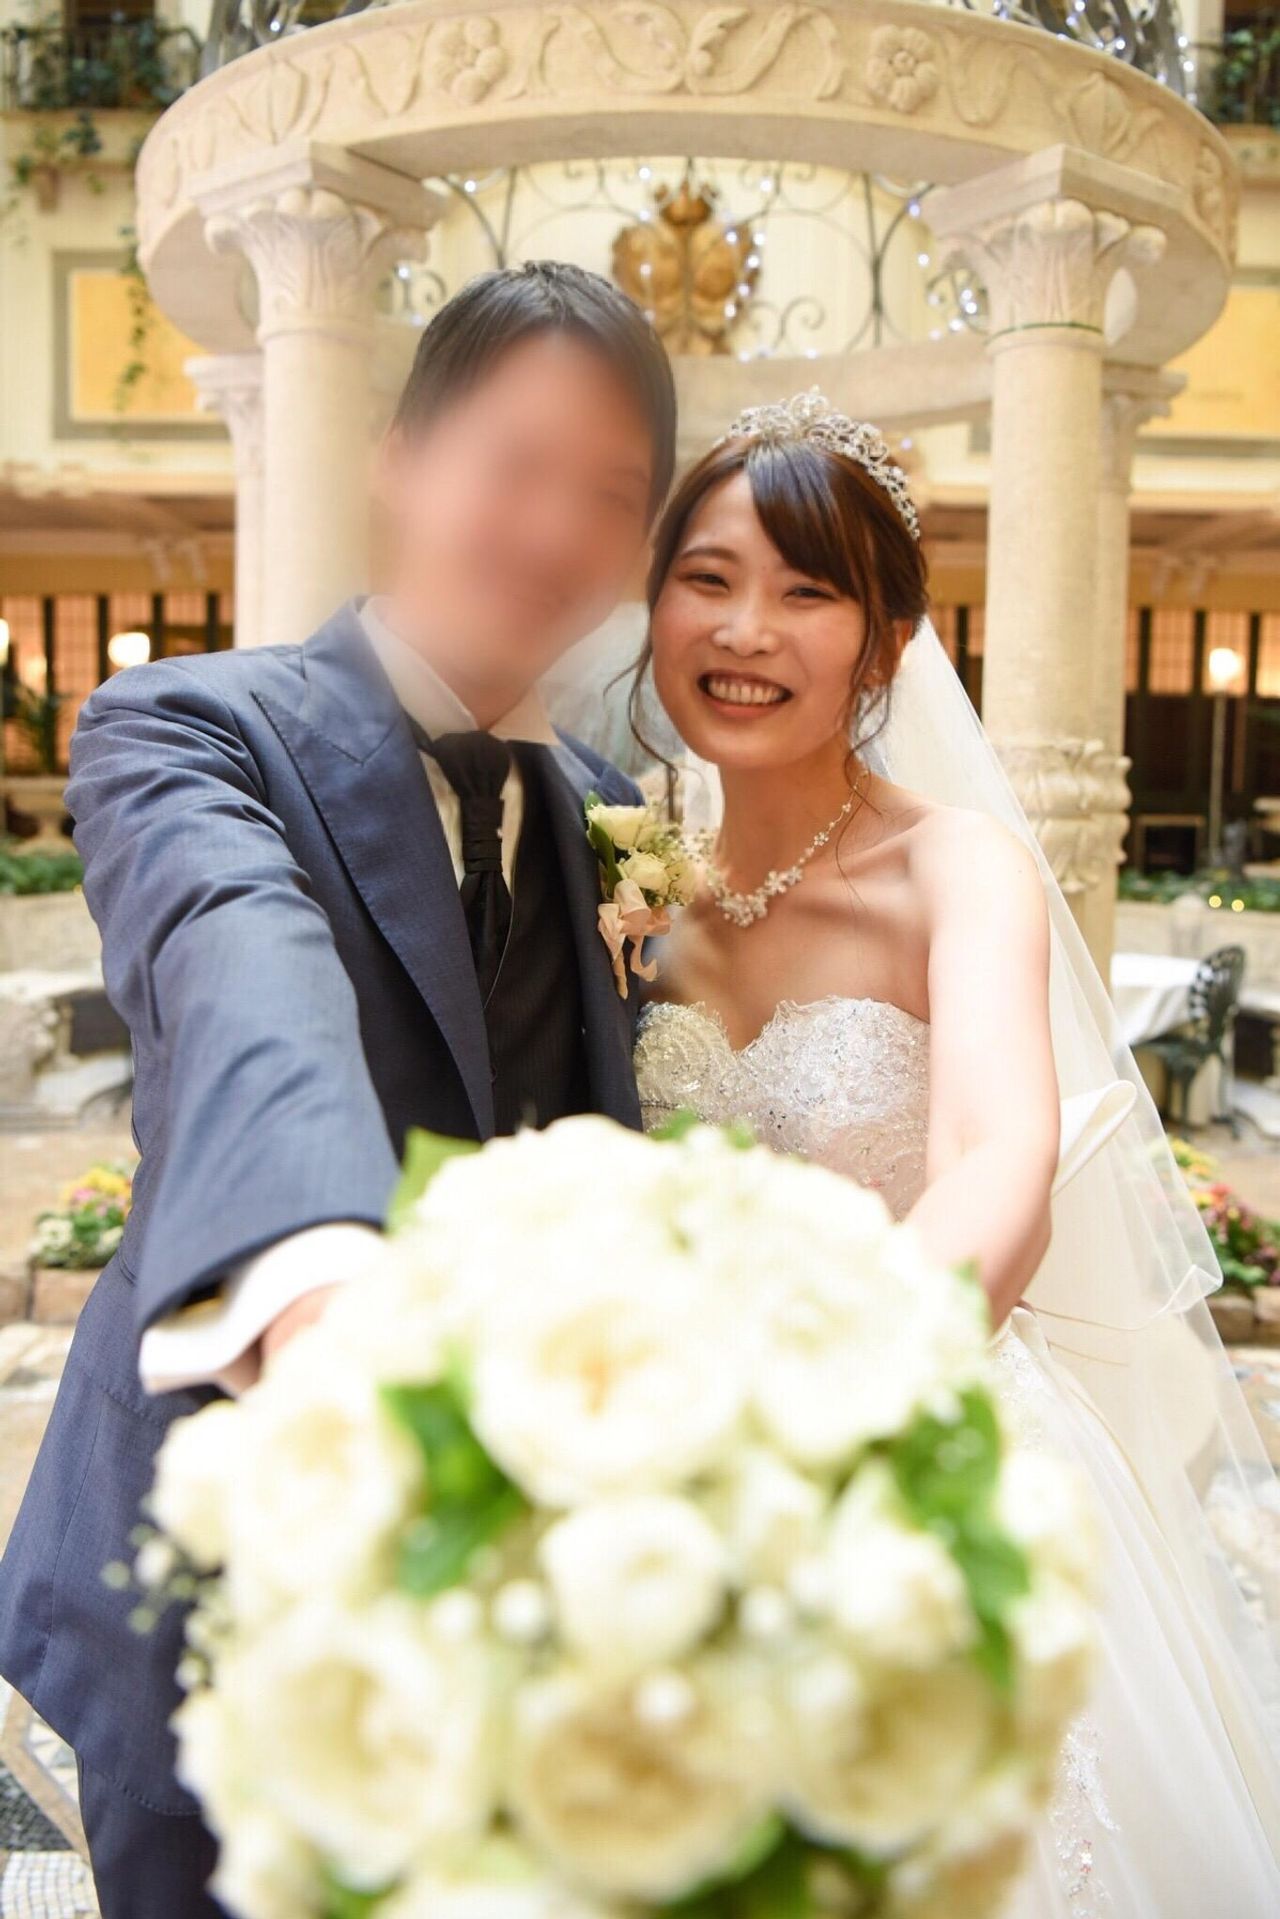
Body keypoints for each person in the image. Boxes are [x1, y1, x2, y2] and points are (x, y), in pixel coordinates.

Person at [0, 261, 675, 1919]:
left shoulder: (607, 805)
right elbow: (249, 986)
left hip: (514, 1598)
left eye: (609, 495)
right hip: (226, 1567)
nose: (556, 532)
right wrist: (320, 1287)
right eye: (515, 464)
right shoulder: (190, 728)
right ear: (400, 459)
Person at [634, 391, 1280, 1916]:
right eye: (709, 580)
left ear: (887, 643)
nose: (747, 630)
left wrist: (822, 1416)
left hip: (913, 1433)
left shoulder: (956, 866)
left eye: (808, 591)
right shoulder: (634, 871)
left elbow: (997, 1160)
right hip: (659, 1451)